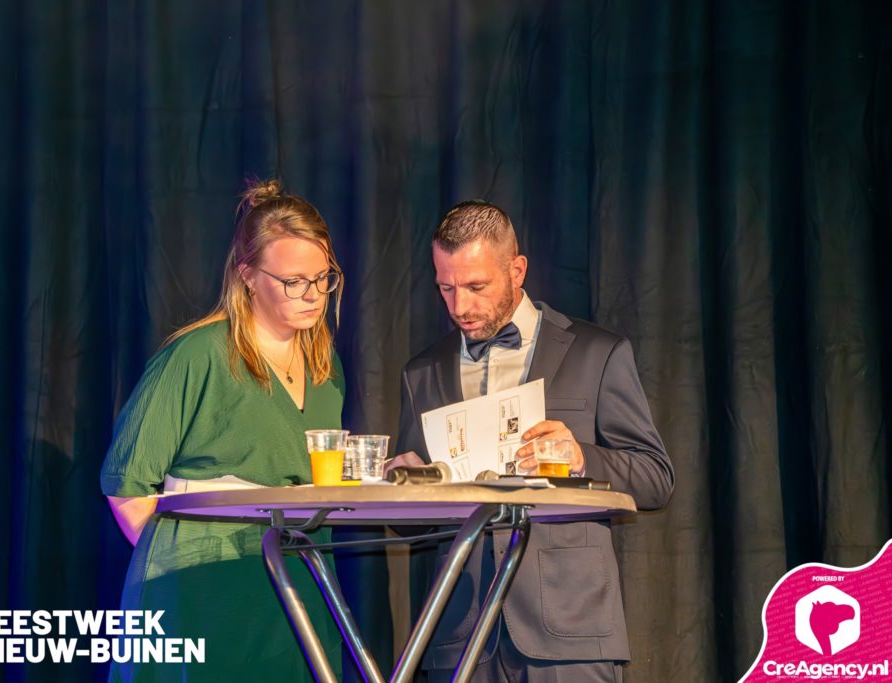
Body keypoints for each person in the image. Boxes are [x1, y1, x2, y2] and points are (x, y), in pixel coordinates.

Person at [392, 200, 674, 682]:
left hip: (569, 630)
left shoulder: (597, 353)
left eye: (476, 286)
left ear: (517, 270)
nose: (459, 307)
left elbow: (655, 479)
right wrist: (405, 487)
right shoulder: (422, 371)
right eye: (446, 288)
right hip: (459, 635)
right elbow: (413, 525)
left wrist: (581, 456)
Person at [100, 179, 345, 681]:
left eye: (324, 278)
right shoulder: (198, 356)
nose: (313, 294)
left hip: (296, 591)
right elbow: (126, 486)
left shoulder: (326, 368)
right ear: (248, 275)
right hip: (208, 599)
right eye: (293, 281)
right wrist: (188, 569)